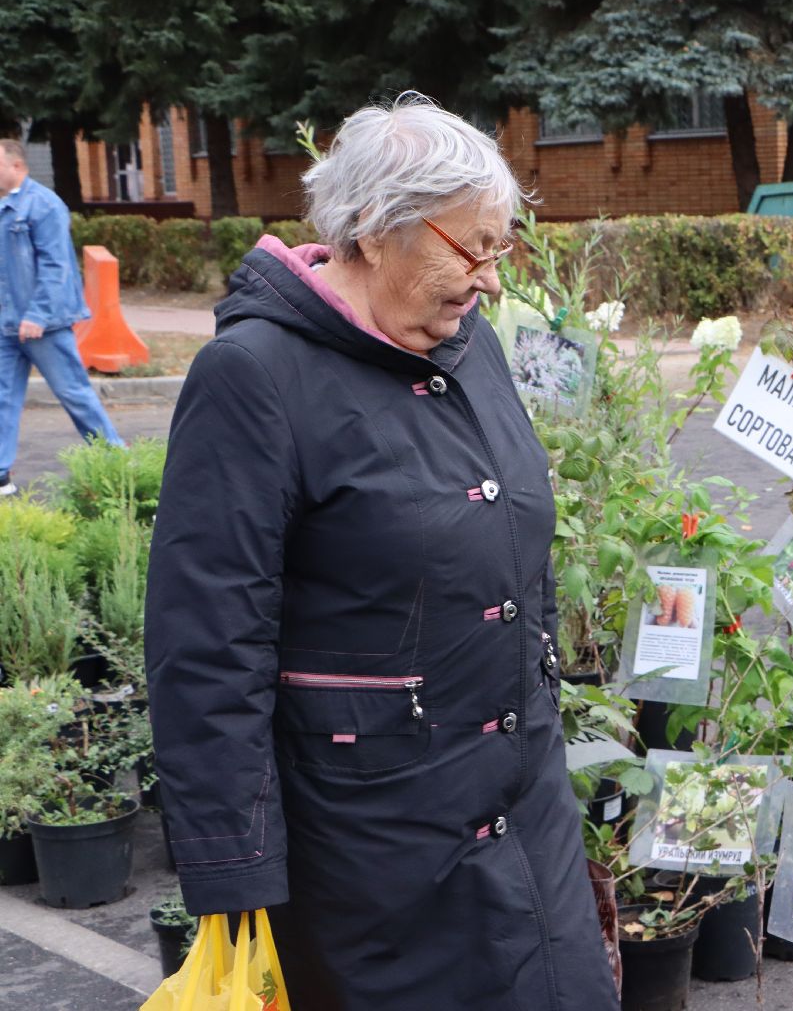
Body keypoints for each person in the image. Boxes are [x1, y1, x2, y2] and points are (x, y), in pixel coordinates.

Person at [144, 96, 618, 1010]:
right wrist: (235, 877)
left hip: (527, 813)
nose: (488, 278)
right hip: (371, 848)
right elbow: (206, 645)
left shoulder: (466, 345)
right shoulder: (255, 376)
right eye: (469, 246)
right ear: (373, 226)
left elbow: (519, 539)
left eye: (500, 247)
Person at [0, 138, 123, 497]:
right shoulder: (3, 205)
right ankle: (1, 474)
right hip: (7, 323)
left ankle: (115, 463)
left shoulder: (44, 205)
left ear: (16, 166)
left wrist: (37, 313)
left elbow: (57, 267)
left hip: (44, 325)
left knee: (74, 394)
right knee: (3, 397)